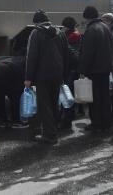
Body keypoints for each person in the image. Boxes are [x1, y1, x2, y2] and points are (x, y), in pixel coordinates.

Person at [25, 10, 69, 144]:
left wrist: (28, 77)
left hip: (42, 75)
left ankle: (50, 135)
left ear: (36, 22)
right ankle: (54, 130)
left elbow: (31, 57)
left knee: (44, 105)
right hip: (57, 73)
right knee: (54, 102)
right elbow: (66, 54)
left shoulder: (36, 33)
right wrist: (64, 73)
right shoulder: (60, 32)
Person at [78, 6, 113, 131]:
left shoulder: (91, 29)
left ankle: (96, 123)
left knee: (95, 98)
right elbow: (112, 47)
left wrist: (82, 70)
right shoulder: (105, 27)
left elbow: (87, 53)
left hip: (94, 70)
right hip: (105, 69)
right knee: (105, 97)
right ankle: (107, 122)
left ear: (87, 17)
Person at [59, 16, 84, 130]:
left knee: (67, 93)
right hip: (75, 68)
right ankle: (75, 112)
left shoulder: (72, 36)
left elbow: (71, 53)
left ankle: (67, 120)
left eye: (64, 26)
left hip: (71, 69)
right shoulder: (76, 35)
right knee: (71, 92)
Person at [0, 55, 28, 129]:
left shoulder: (16, 59)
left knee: (0, 99)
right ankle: (16, 121)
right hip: (10, 73)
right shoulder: (26, 63)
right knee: (15, 97)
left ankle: (3, 121)